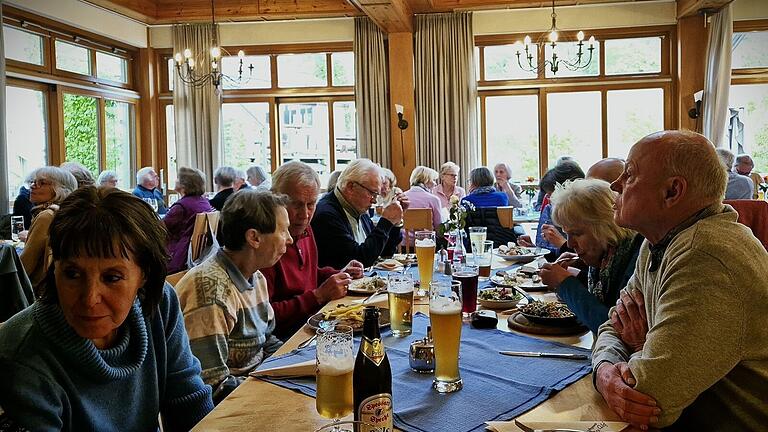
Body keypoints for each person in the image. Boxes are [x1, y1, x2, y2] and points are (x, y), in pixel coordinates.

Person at [592, 130, 768, 430]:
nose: (615, 184)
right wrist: (606, 372)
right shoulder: (660, 241)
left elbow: (649, 400)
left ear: (672, 192)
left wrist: (638, 349)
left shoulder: (706, 256)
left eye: (629, 174)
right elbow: (613, 324)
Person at [0, 186, 214, 430]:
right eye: (72, 274)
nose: (90, 298)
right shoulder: (22, 358)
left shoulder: (158, 303)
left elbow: (188, 401)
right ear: (54, 266)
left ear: (144, 276)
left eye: (112, 277)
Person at [175, 190, 289, 403]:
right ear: (254, 237)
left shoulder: (257, 277)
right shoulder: (211, 291)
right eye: (283, 231)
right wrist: (275, 389)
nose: (289, 240)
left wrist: (293, 365)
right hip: (227, 408)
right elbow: (212, 385)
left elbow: (267, 340)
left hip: (253, 386)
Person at [262, 161, 364, 339]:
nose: (305, 215)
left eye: (311, 204)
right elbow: (265, 316)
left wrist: (339, 274)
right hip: (287, 336)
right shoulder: (266, 242)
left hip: (315, 323)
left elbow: (308, 274)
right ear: (275, 199)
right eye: (296, 204)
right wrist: (318, 296)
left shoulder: (305, 228)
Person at [539, 179, 643, 334]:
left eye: (576, 234)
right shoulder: (610, 256)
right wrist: (577, 274)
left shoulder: (637, 257)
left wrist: (565, 283)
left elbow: (615, 329)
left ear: (605, 227)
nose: (570, 243)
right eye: (566, 233)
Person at [312, 159, 407, 269]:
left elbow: (383, 253)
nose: (374, 201)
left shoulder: (357, 208)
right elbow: (360, 261)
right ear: (351, 187)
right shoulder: (327, 215)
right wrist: (386, 222)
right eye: (372, 193)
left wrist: (395, 223)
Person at [20, 166, 78, 292]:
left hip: (37, 293)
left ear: (59, 190)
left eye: (42, 183)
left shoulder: (46, 216)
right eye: (33, 182)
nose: (33, 186)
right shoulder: (63, 212)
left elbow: (25, 266)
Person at [164, 167, 215, 274]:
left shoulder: (182, 206)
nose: (175, 180)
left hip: (177, 259)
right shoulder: (204, 202)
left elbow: (158, 227)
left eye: (178, 178)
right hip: (198, 258)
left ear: (184, 185)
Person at [404, 166, 443, 230]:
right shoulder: (433, 199)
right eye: (433, 180)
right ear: (426, 180)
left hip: (404, 239)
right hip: (427, 239)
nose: (435, 184)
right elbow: (439, 229)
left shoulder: (402, 197)